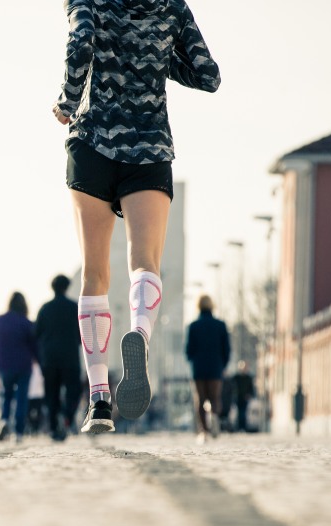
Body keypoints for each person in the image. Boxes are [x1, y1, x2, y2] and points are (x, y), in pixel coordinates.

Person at [53, 0, 220, 434]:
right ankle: (140, 337)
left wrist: (68, 101)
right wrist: (158, 62)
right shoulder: (170, 5)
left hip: (92, 141)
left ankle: (99, 401)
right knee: (144, 262)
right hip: (148, 146)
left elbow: (80, 44)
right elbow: (208, 75)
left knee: (94, 274)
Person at [0, 293, 38, 443]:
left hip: (4, 365)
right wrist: (40, 361)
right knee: (21, 398)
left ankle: (4, 420)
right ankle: (19, 432)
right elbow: (35, 346)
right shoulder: (27, 323)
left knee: (5, 396)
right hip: (23, 366)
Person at [35, 274, 83, 440]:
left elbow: (37, 334)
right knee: (74, 390)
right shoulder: (74, 307)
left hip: (49, 358)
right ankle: (67, 415)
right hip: (70, 357)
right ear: (67, 287)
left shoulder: (44, 308)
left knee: (51, 394)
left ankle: (55, 428)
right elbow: (82, 334)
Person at [185, 295, 230, 444]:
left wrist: (192, 361)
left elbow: (189, 350)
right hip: (216, 367)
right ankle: (215, 418)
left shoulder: (193, 326)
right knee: (215, 398)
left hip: (198, 368)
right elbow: (226, 349)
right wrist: (223, 365)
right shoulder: (220, 325)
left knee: (200, 399)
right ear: (212, 306)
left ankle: (203, 431)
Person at [232, 360, 256, 433]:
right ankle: (239, 427)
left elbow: (251, 388)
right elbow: (232, 387)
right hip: (238, 398)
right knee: (239, 413)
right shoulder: (236, 377)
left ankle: (243, 427)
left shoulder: (248, 378)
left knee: (244, 413)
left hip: (245, 398)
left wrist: (250, 395)